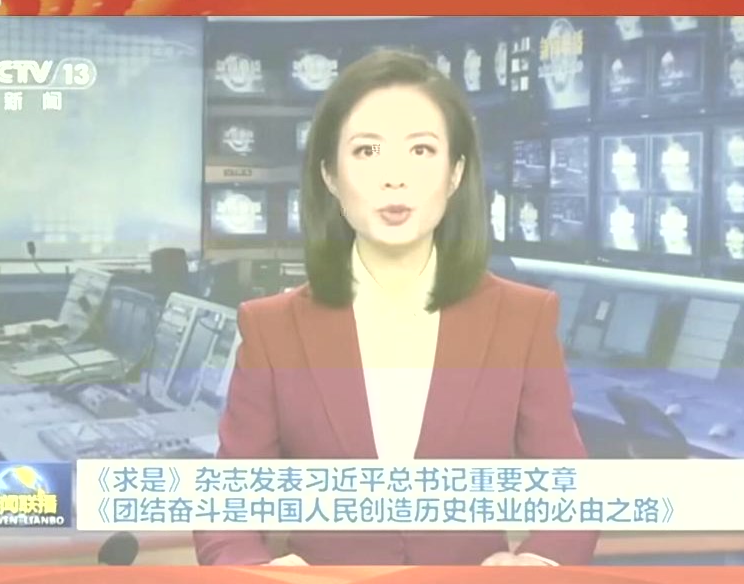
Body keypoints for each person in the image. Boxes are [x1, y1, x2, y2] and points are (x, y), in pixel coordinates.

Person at [193, 50, 598, 566]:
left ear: (455, 173)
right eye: (367, 151)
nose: (394, 177)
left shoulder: (523, 319)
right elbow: (225, 510)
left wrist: (534, 567)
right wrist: (258, 574)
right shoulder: (272, 328)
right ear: (330, 175)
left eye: (421, 150)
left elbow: (570, 498)